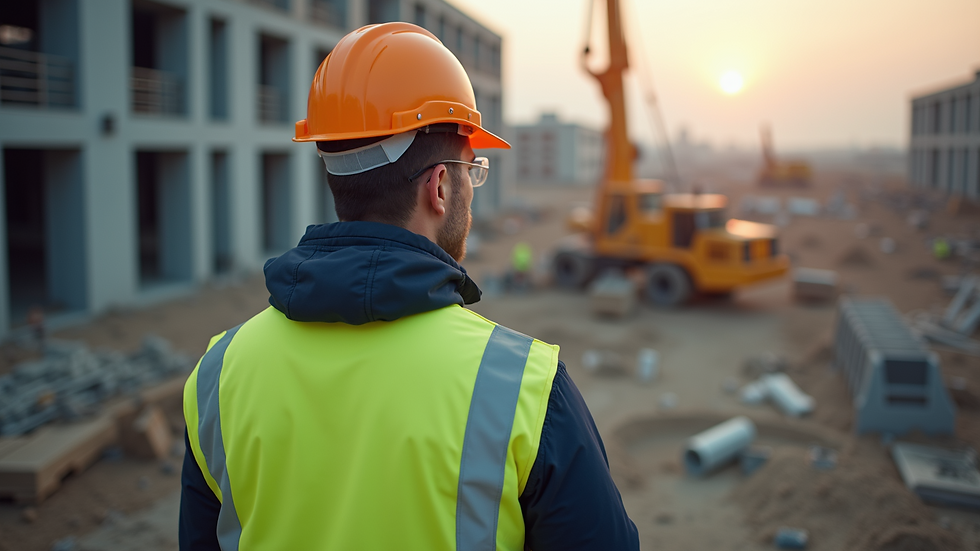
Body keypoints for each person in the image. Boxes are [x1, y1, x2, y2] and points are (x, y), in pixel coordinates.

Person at [180, 22, 638, 551]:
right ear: (439, 185)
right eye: (473, 170)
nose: (472, 186)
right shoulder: (524, 387)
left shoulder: (218, 374)